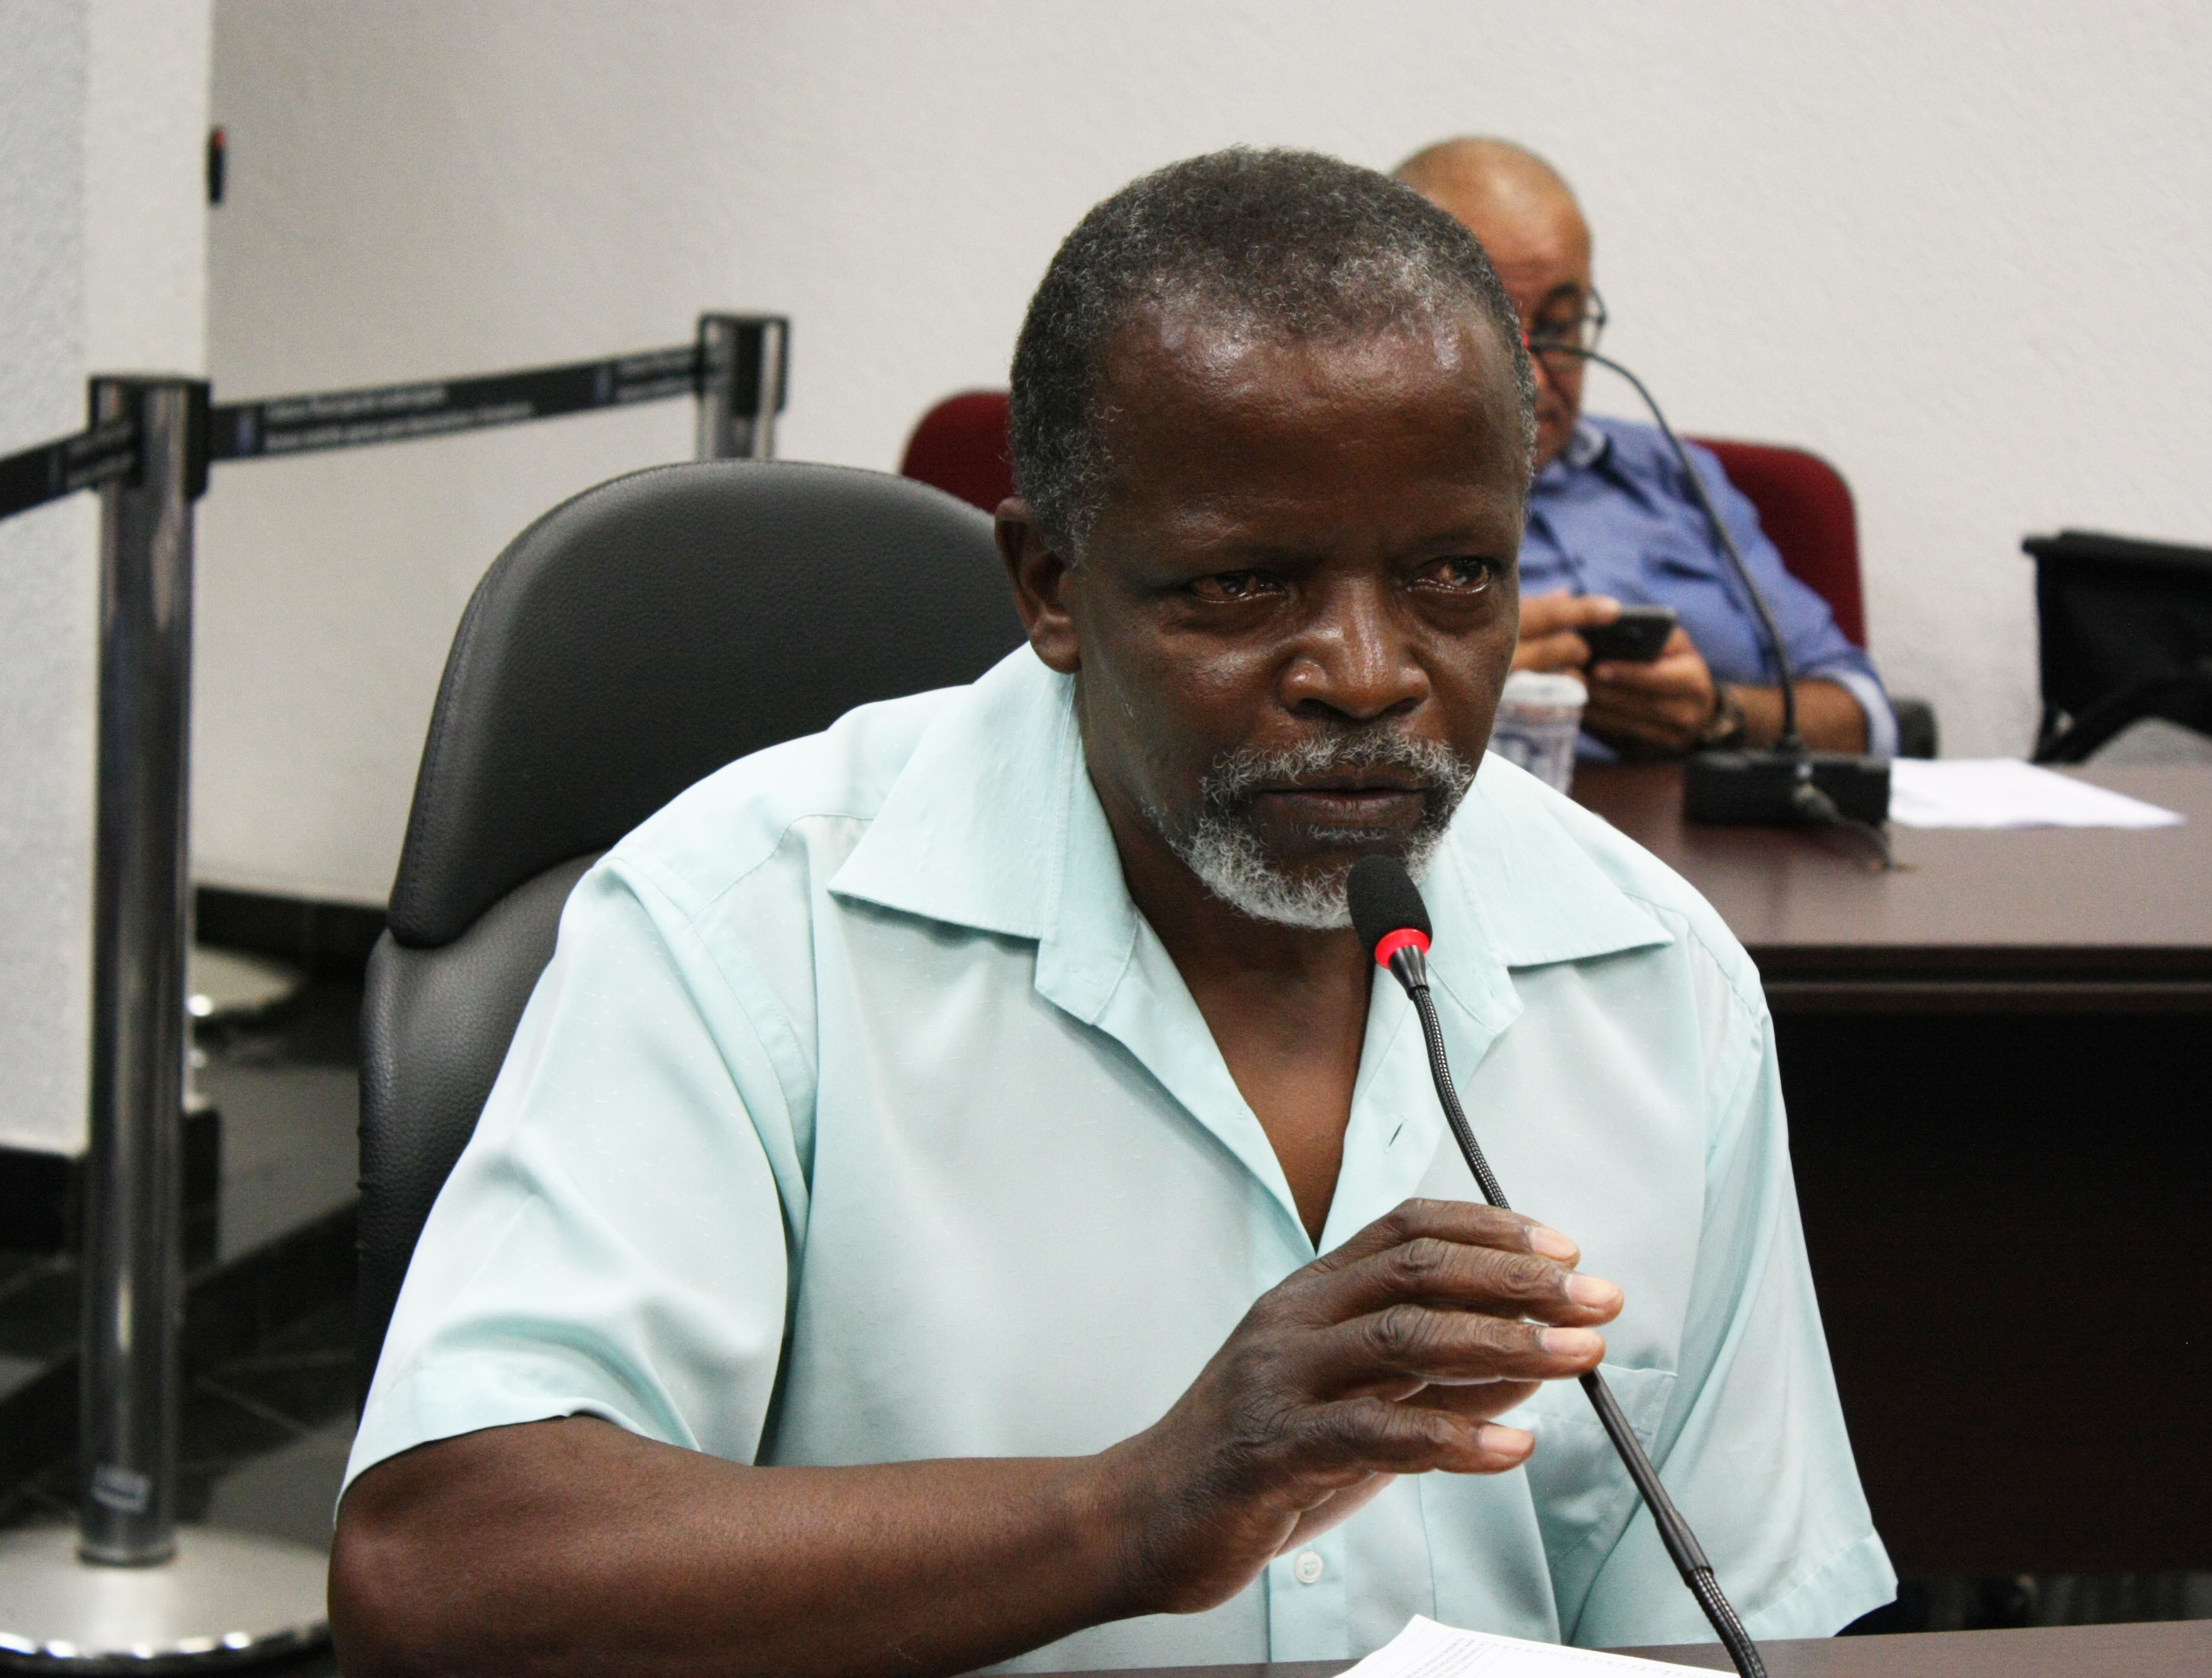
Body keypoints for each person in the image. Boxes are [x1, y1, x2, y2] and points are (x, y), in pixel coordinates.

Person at [331, 149, 1893, 1676]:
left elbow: (1740, 1623)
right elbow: (441, 1571)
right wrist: (1137, 1509)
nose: (1367, 674)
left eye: (1454, 576)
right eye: (1245, 586)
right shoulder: (748, 923)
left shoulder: (1656, 975)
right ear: (1051, 586)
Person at [1393, 138, 1894, 760]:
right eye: (1495, 333)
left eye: (1560, 328)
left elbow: (1865, 712)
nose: (1539, 379)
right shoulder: (1345, 495)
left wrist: (1720, 714)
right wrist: (1460, 699)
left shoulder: (1675, 476)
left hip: (1703, 820)